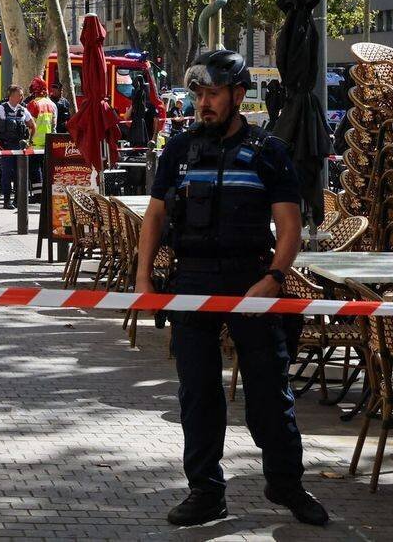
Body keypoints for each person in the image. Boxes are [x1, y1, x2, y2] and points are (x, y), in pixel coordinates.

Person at [134, 49, 327, 528]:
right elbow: (155, 215)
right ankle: (206, 492)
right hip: (192, 282)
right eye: (199, 94)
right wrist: (142, 277)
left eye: (213, 94)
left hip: (251, 282)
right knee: (198, 393)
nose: (204, 103)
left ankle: (285, 484)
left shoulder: (269, 152)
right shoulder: (178, 150)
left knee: (269, 392)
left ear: (238, 95)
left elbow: (289, 226)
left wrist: (274, 278)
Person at [0, 84, 33, 210]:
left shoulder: (22, 110)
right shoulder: (1, 109)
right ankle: (6, 200)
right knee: (6, 174)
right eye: (19, 94)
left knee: (19, 174)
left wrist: (29, 141)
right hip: (6, 146)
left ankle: (17, 200)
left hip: (19, 147)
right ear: (12, 95)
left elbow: (32, 125)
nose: (22, 97)